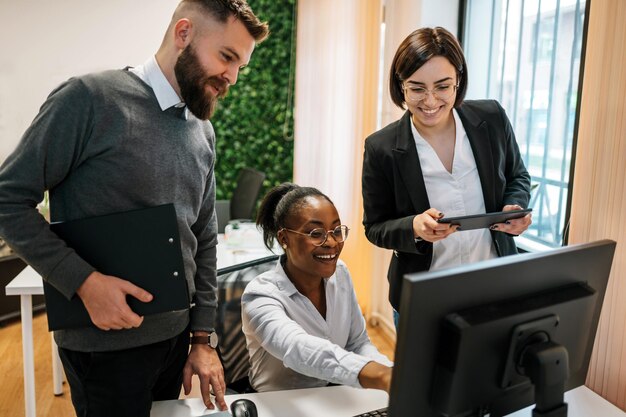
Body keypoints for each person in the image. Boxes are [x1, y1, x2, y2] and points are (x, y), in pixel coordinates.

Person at [0, 1, 268, 416]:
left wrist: (201, 338)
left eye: (240, 66)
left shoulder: (202, 129)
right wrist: (85, 283)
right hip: (103, 349)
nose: (232, 76)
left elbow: (203, 236)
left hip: (175, 342)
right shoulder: (87, 100)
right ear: (184, 34)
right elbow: (7, 199)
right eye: (227, 56)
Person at [361, 27, 532, 319]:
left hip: (494, 287)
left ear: (458, 82)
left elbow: (518, 177)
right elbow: (375, 227)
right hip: (424, 298)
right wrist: (414, 226)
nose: (430, 101)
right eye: (417, 88)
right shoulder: (381, 147)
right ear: (400, 85)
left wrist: (514, 208)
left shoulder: (491, 118)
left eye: (442, 86)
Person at [241, 183, 393, 392]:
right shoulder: (260, 295)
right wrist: (379, 376)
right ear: (284, 238)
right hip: (278, 405)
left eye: (337, 230)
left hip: (333, 397)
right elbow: (297, 347)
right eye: (315, 233)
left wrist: (391, 372)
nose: (331, 242)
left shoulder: (340, 273)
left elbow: (358, 343)